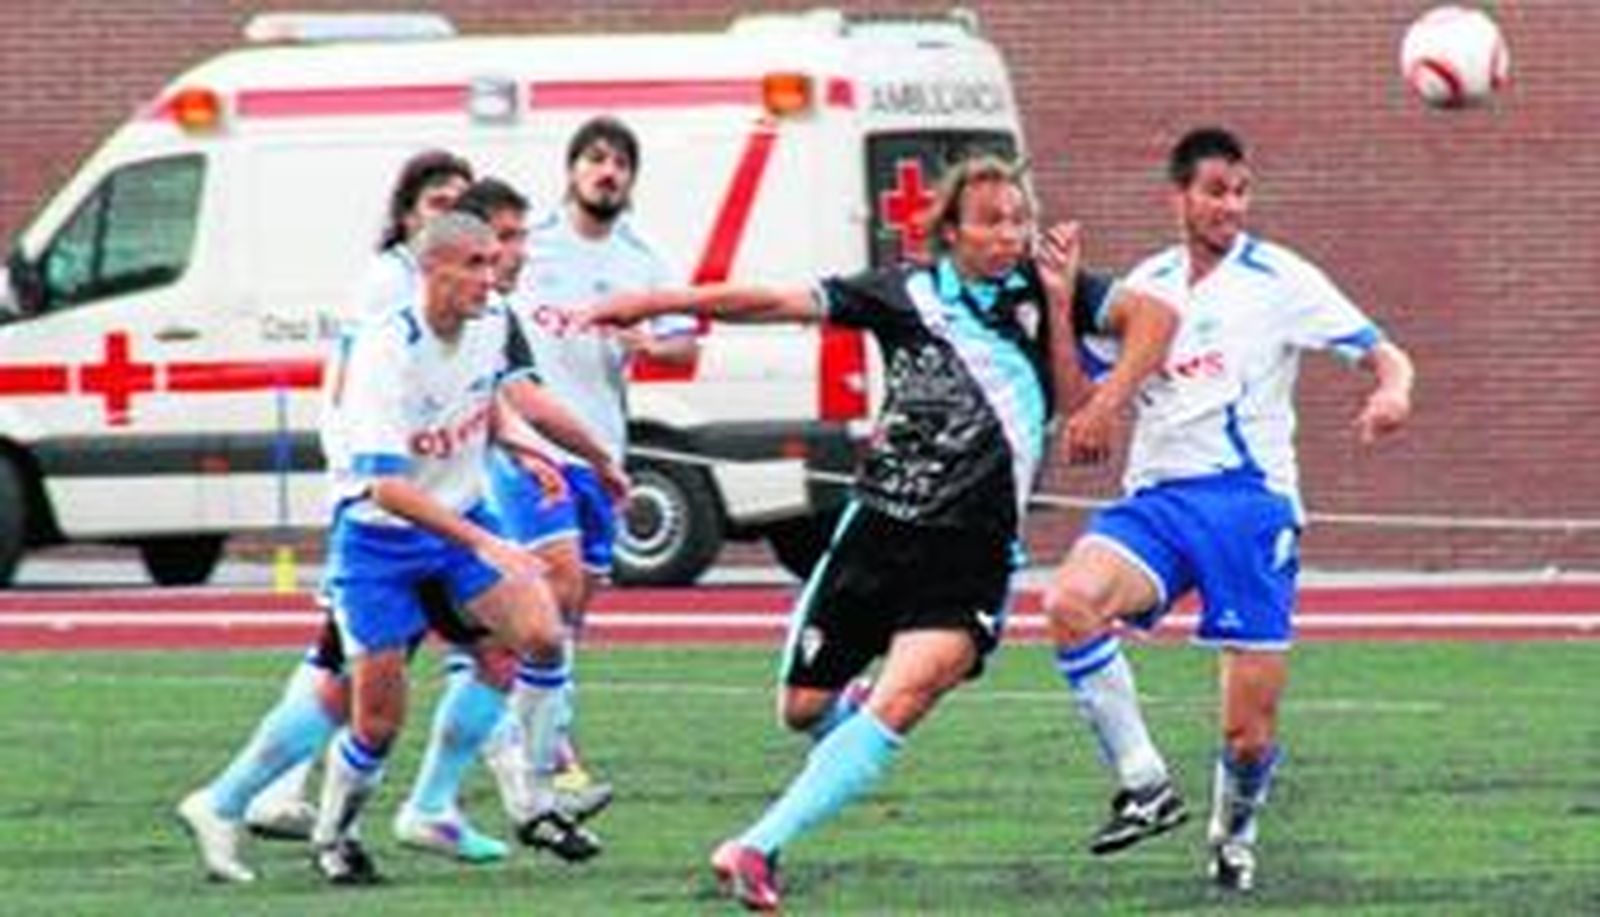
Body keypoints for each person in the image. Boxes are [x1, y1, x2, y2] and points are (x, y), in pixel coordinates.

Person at [584, 155, 1178, 911]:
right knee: (802, 708)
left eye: (1019, 218)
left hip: (970, 548)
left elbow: (1156, 319)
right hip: (876, 530)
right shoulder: (905, 291)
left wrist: (1092, 375)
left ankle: (756, 847)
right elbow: (772, 301)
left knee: (905, 695)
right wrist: (658, 300)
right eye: (991, 220)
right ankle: (840, 741)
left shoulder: (1045, 288)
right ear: (951, 231)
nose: (1010, 234)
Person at [1042, 127, 1415, 893]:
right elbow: (1083, 408)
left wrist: (1392, 391)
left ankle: (1232, 833)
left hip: (1249, 507)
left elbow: (1383, 348)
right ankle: (1146, 783)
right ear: (1178, 196)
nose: (1230, 207)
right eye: (1215, 192)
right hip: (1157, 503)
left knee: (1247, 732)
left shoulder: (1280, 278)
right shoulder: (1145, 285)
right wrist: (1058, 299)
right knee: (1069, 601)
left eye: (1240, 192)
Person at [230, 150, 478, 843]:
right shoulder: (391, 281)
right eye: (437, 200)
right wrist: (355, 470)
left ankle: (281, 791)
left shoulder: (460, 282)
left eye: (461, 200)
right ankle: (263, 791)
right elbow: (360, 379)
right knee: (347, 649)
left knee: (366, 650)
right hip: (377, 494)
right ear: (407, 214)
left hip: (417, 494)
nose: (449, 211)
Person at [479, 116, 697, 827]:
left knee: (572, 610)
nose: (607, 173)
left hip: (603, 445)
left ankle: (535, 743)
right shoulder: (530, 245)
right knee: (556, 584)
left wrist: (643, 338)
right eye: (595, 159)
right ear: (572, 169)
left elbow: (681, 344)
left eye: (620, 163)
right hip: (531, 445)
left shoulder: (642, 257)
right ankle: (532, 749)